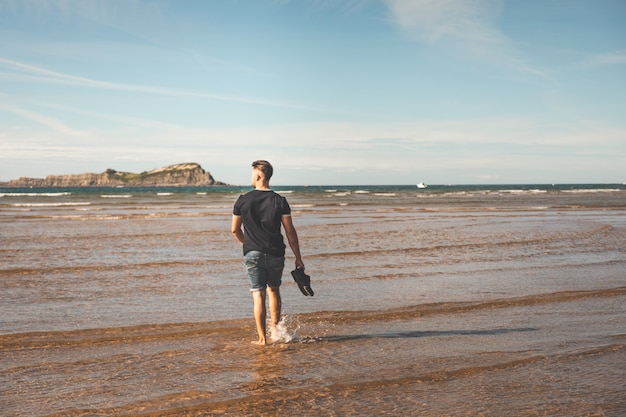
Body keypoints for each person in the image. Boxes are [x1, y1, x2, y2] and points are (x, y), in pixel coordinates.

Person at [231, 160, 304, 345]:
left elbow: (235, 230)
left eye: (252, 174)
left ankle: (263, 339)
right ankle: (276, 333)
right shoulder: (280, 201)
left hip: (252, 253)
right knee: (274, 290)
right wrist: (298, 257)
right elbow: (290, 232)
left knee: (258, 295)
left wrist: (247, 244)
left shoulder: (242, 200)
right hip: (275, 253)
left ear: (257, 176)